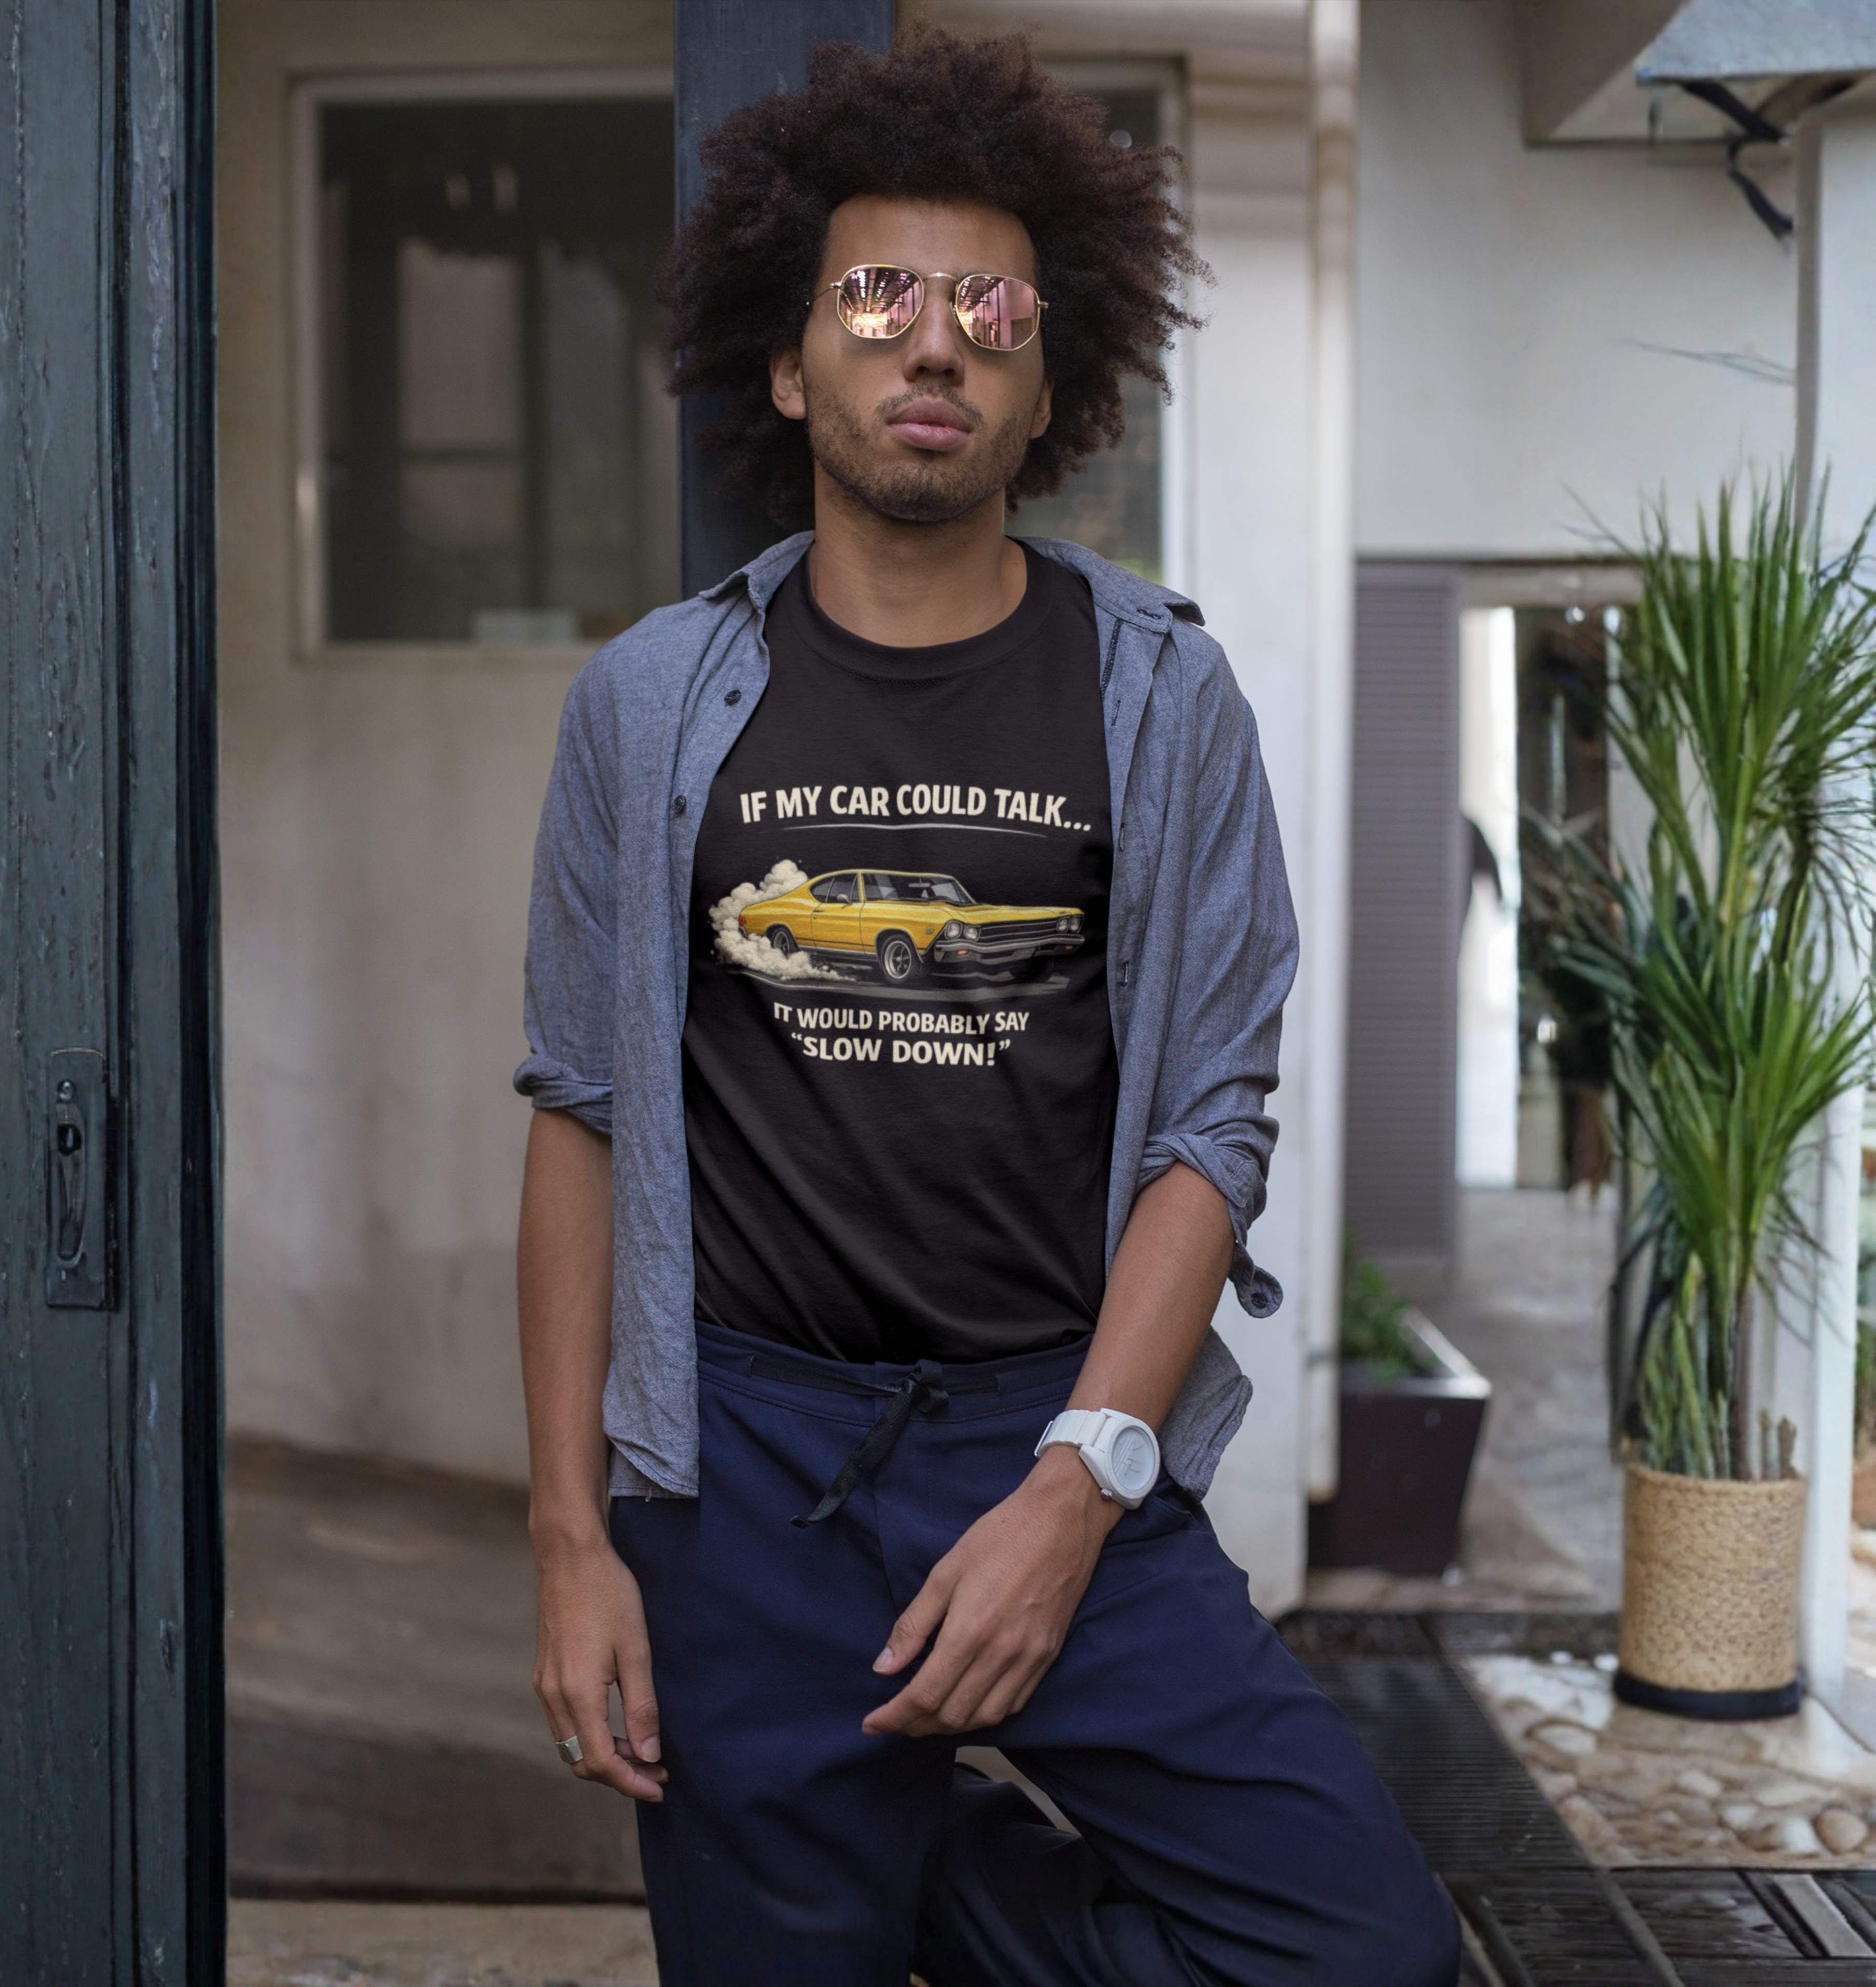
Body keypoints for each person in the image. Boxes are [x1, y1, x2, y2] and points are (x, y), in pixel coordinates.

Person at [514, 29, 1460, 1986]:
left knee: (1356, 1950)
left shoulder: (1162, 698)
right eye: (876, 298)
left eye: (988, 312)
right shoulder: (649, 704)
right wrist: (571, 1538)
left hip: (1056, 1432)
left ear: (1049, 388)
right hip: (741, 1470)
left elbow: (1214, 1127)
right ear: (792, 366)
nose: (929, 343)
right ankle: (820, 1860)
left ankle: (890, 1872)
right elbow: (582, 1108)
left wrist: (1078, 1484)